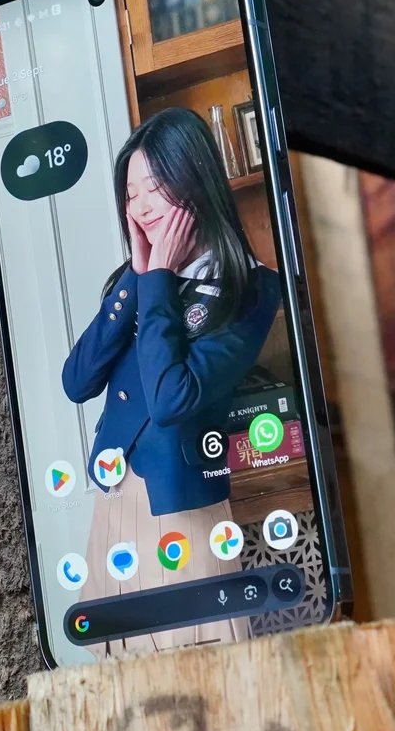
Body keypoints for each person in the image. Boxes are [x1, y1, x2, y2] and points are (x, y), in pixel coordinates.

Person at [61, 106, 280, 654]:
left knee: (199, 667)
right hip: (114, 501)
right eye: (131, 193)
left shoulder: (249, 288)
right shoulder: (138, 280)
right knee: (120, 673)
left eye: (155, 187)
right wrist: (139, 279)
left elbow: (169, 399)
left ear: (195, 181)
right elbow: (76, 381)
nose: (141, 206)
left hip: (182, 510)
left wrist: (157, 279)